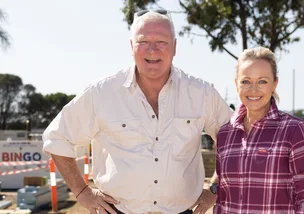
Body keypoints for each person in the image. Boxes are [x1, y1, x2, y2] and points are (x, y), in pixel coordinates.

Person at [42, 9, 232, 214]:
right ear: (132, 46)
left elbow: (236, 141)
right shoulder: (101, 93)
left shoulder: (201, 93)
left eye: (161, 41)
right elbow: (57, 138)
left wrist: (215, 189)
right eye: (143, 41)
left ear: (175, 47)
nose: (152, 50)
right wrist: (82, 192)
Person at [214, 47, 304, 214]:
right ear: (236, 84)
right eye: (246, 81)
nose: (253, 89)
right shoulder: (225, 134)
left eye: (262, 81)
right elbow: (222, 196)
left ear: (274, 83)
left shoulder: (295, 130)